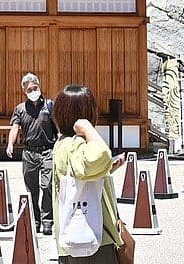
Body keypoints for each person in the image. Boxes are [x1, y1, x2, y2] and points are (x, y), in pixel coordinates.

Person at [48, 83, 126, 259]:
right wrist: (85, 127)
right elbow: (100, 155)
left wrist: (108, 169)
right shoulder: (73, 144)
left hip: (75, 238)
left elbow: (82, 175)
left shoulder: (62, 144)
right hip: (91, 238)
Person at [8, 71, 59, 235]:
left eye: (35, 88)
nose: (33, 91)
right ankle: (35, 220)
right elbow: (15, 127)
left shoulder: (49, 105)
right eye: (29, 89)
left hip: (47, 151)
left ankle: (47, 221)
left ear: (40, 86)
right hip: (29, 152)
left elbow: (57, 126)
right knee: (32, 189)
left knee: (47, 185)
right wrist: (10, 143)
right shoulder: (20, 109)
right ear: (24, 91)